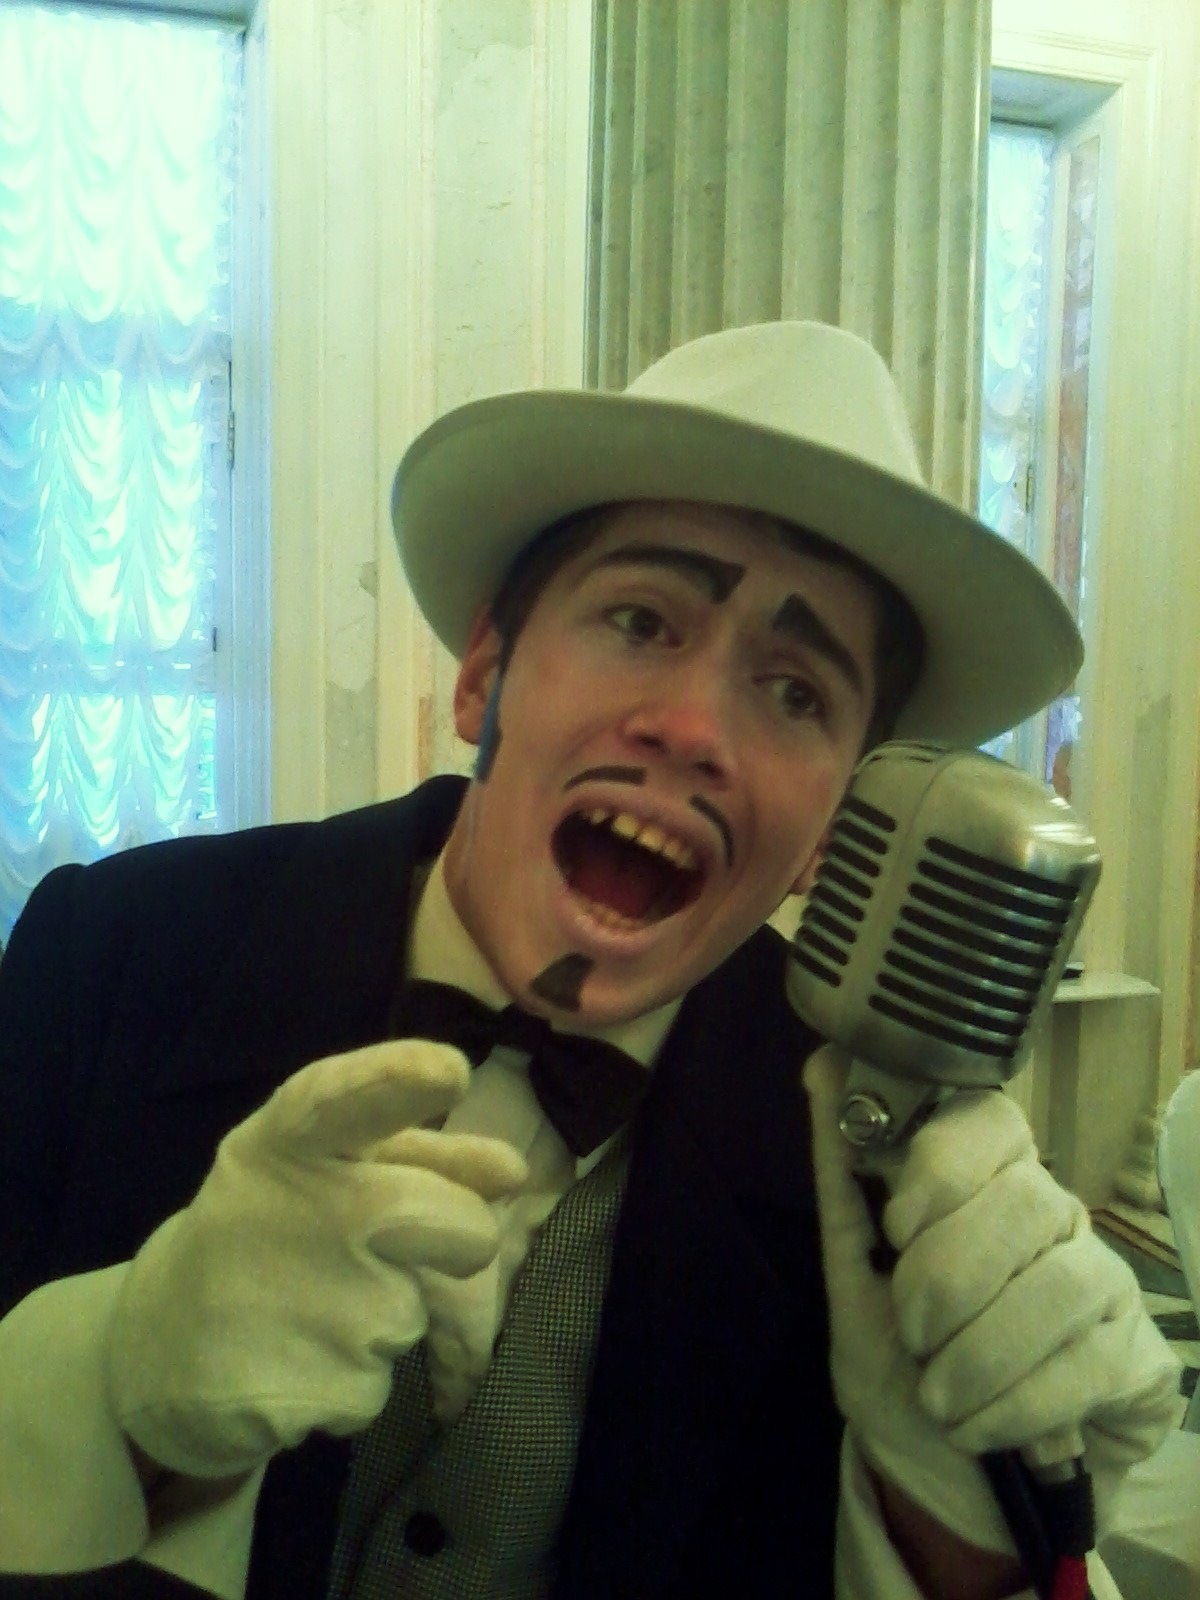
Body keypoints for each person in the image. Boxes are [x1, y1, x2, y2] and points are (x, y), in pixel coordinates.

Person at [0, 321, 1180, 1600]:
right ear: (485, 677)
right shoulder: (116, 956)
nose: (694, 726)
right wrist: (111, 1384)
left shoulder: (863, 1175)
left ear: (828, 833)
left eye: (796, 692)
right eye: (640, 618)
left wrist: (952, 1527)